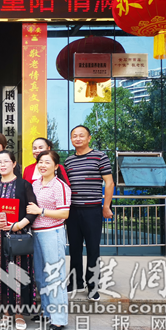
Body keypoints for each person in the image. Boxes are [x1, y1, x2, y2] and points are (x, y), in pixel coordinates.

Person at [64, 125, 114, 301]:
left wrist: (106, 206)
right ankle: (75, 282)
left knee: (93, 249)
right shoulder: (68, 161)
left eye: (81, 135)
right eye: (74, 136)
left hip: (92, 210)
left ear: (89, 138)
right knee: (74, 249)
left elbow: (109, 183)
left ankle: (93, 286)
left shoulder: (100, 156)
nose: (77, 139)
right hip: (72, 211)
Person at [0, 150, 38, 330]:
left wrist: (18, 225)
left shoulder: (24, 185)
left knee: (19, 272)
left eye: (6, 161)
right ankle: (5, 313)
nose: (2, 165)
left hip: (19, 237)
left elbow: (33, 211)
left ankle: (19, 314)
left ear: (14, 163)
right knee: (1, 272)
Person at [27, 150, 71, 330]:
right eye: (40, 162)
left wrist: (41, 211)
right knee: (40, 276)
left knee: (55, 275)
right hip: (36, 233)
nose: (43, 165)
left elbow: (64, 213)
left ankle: (59, 318)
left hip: (52, 233)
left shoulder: (60, 186)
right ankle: (47, 312)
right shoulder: (35, 184)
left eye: (47, 162)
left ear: (56, 166)